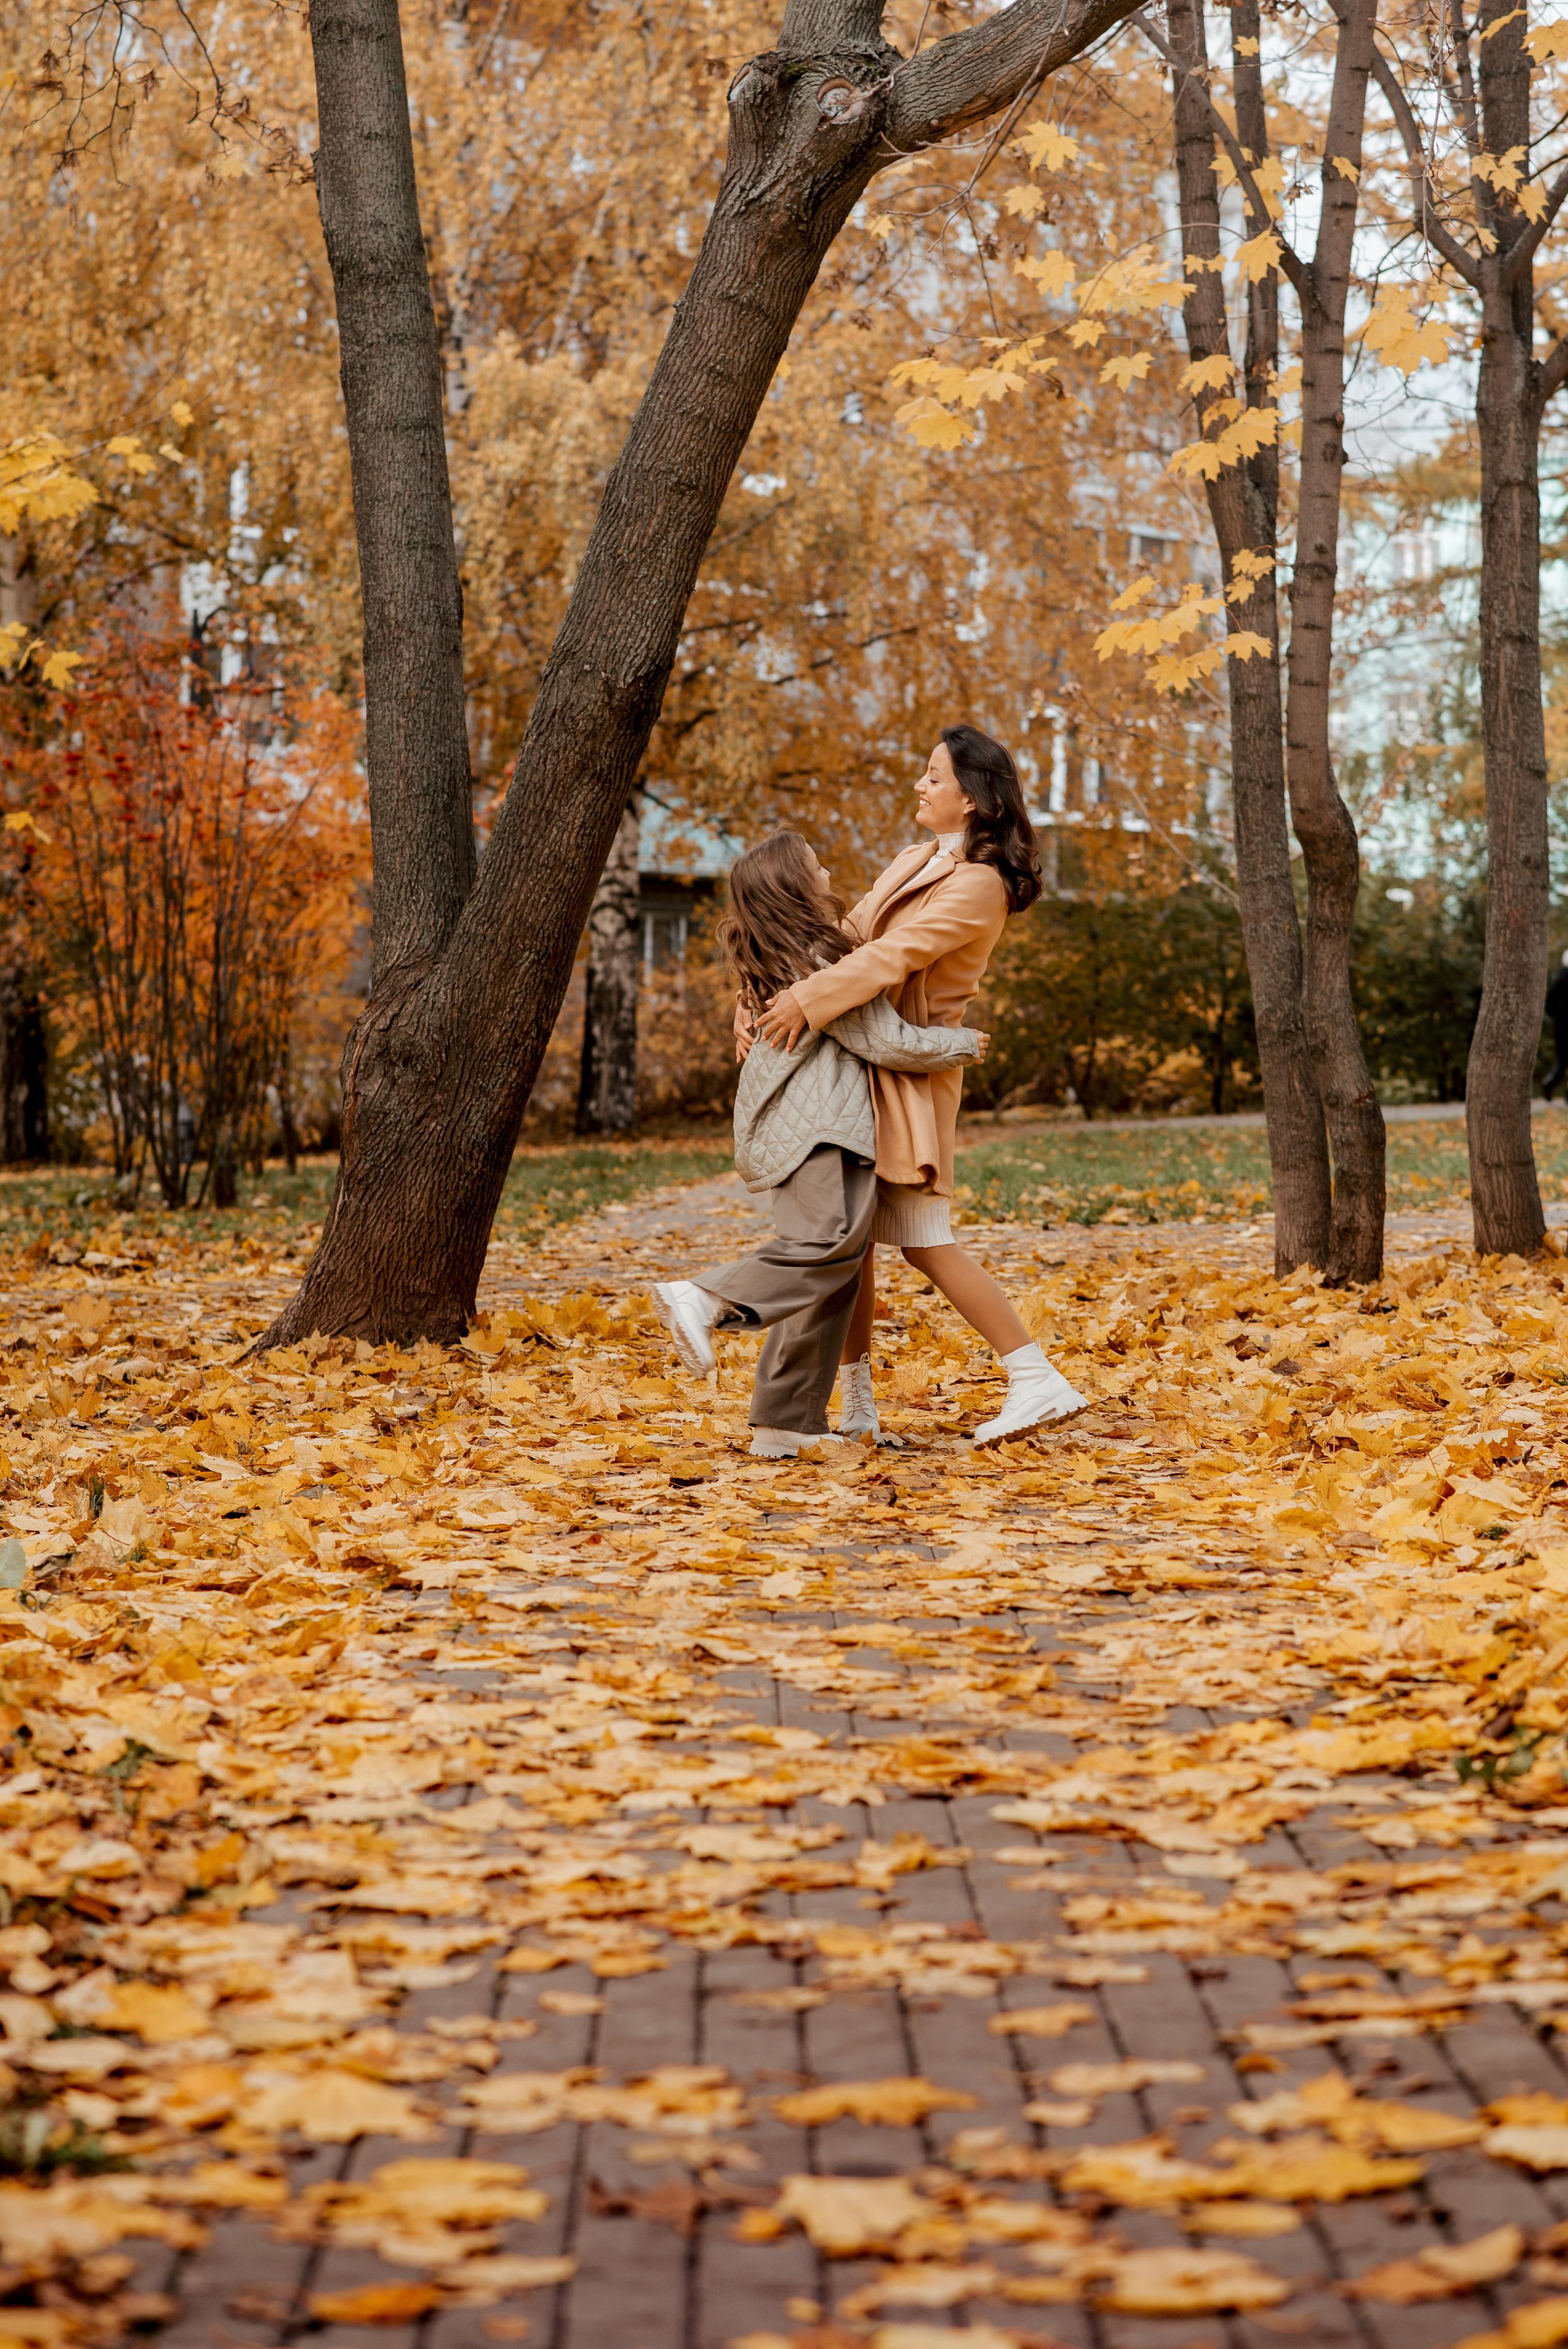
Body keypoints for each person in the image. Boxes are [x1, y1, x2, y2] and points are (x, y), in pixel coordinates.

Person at [753, 724, 1086, 1446]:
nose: (920, 785)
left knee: (922, 1237)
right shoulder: (913, 859)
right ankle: (859, 1411)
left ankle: (1035, 1379)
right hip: (861, 1070)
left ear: (972, 799)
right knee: (855, 1246)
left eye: (935, 777)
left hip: (911, 1075)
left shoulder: (980, 886)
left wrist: (806, 1001)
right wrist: (759, 1004)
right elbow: (842, 941)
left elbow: (892, 957)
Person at [653, 830, 987, 1458]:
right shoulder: (819, 961)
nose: (828, 872)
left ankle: (787, 1422)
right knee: (827, 1247)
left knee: (832, 1274)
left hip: (793, 1128)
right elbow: (882, 1039)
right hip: (822, 1129)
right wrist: (962, 1044)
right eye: (817, 866)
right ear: (795, 887)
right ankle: (707, 1297)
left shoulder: (778, 957)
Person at [1545, 948, 1568, 1102]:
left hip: (1560, 1026)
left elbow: (1549, 1007)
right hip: (1564, 1024)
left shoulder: (1557, 980)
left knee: (1561, 1060)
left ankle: (1549, 1084)